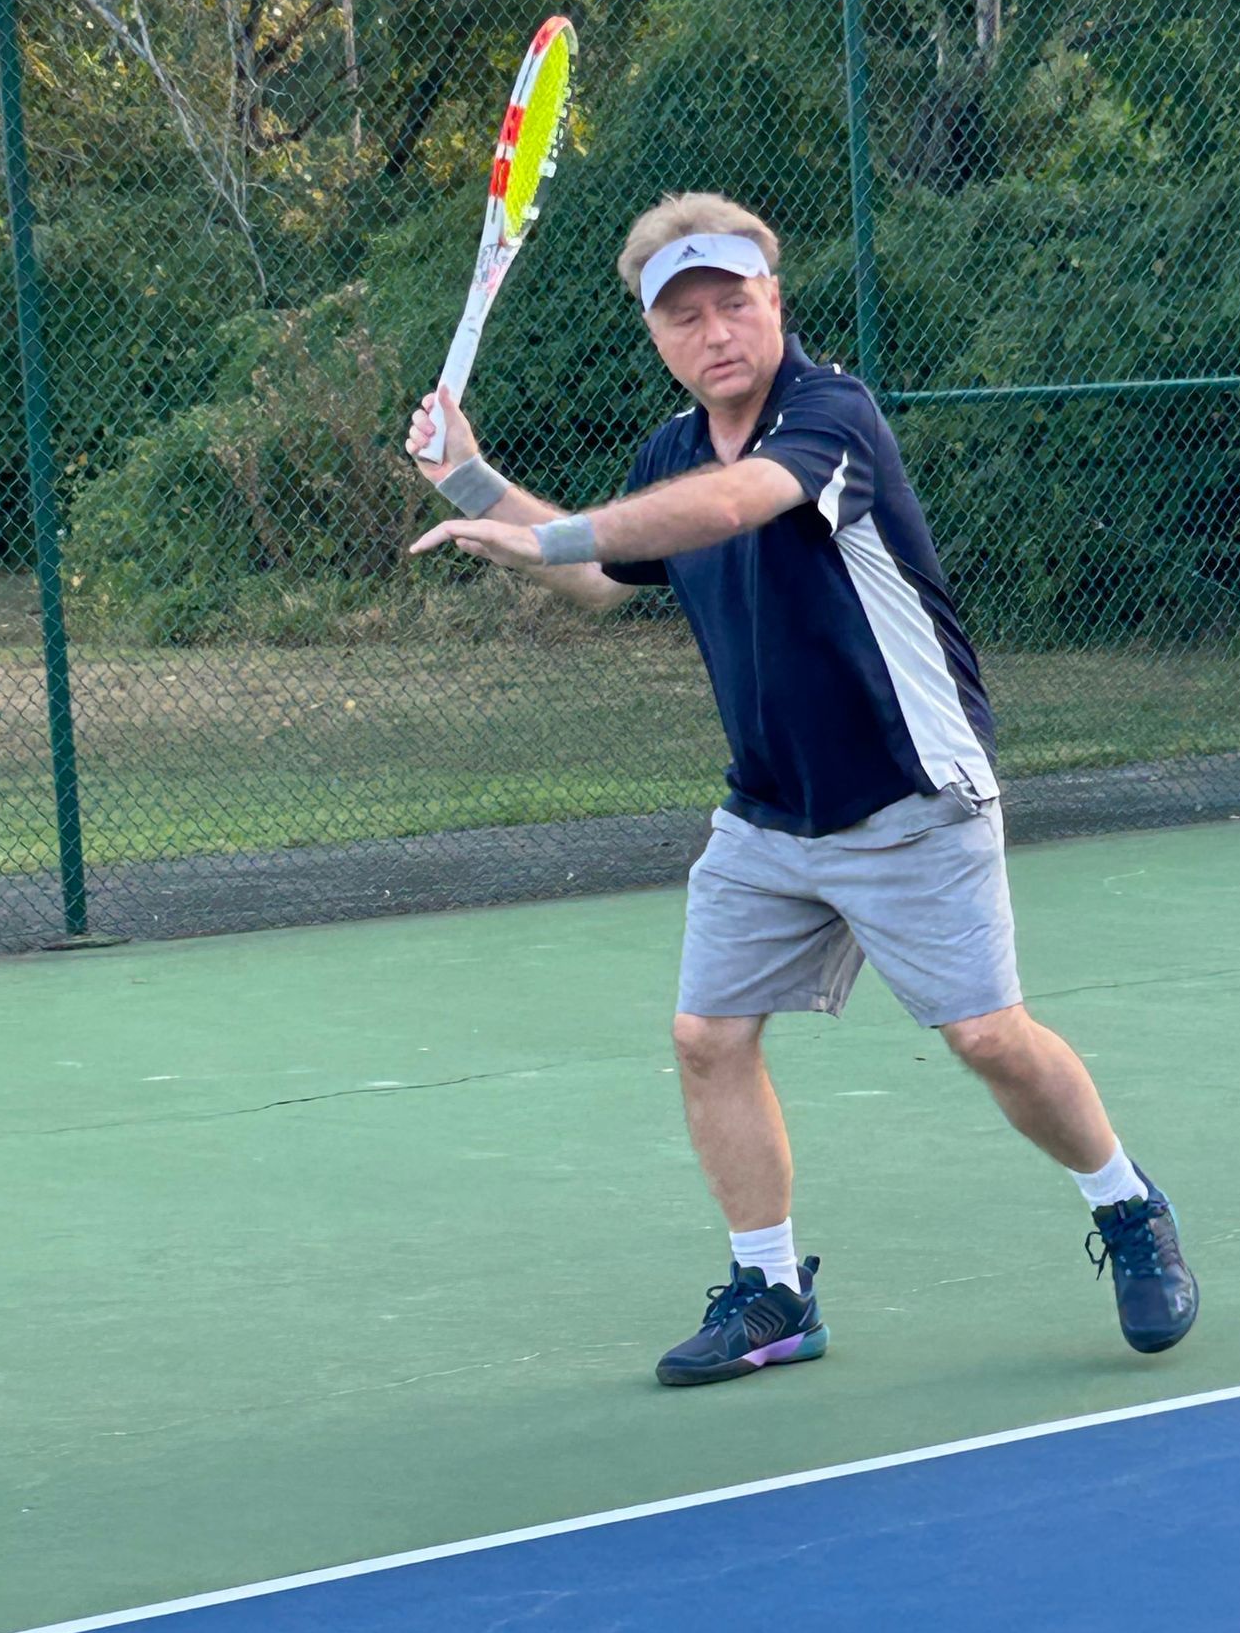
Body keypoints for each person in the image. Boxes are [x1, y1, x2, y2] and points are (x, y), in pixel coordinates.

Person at [405, 193, 1199, 1386]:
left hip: (910, 793)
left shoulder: (832, 414)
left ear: (775, 301)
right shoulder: (671, 451)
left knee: (987, 1035)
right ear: (658, 338)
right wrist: (471, 484)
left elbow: (729, 509)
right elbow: (608, 568)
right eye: (687, 317)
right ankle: (773, 1291)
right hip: (771, 808)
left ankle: (1127, 1204)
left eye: (736, 302)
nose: (717, 331)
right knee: (707, 1036)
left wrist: (544, 540)